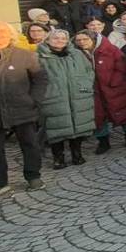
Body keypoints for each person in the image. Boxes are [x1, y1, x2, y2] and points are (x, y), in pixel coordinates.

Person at [0, 21, 46, 193]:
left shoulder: (24, 55)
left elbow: (40, 79)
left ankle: (33, 176)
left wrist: (34, 99)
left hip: (23, 108)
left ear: (11, 36)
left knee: (29, 144)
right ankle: (1, 183)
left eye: (3, 34)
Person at [38, 29, 96, 169]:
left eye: (63, 38)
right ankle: (58, 158)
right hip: (53, 97)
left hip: (78, 95)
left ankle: (77, 154)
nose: (60, 41)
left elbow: (89, 71)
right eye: (56, 38)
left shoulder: (76, 54)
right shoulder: (40, 57)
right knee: (56, 129)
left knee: (78, 126)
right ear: (48, 40)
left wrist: (86, 85)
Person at [77, 30, 126, 152]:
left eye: (85, 39)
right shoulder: (76, 54)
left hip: (114, 87)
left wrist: (115, 81)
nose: (82, 42)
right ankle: (103, 141)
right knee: (97, 115)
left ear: (93, 39)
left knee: (123, 110)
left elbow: (122, 65)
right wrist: (83, 88)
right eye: (78, 40)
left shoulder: (110, 49)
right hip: (92, 90)